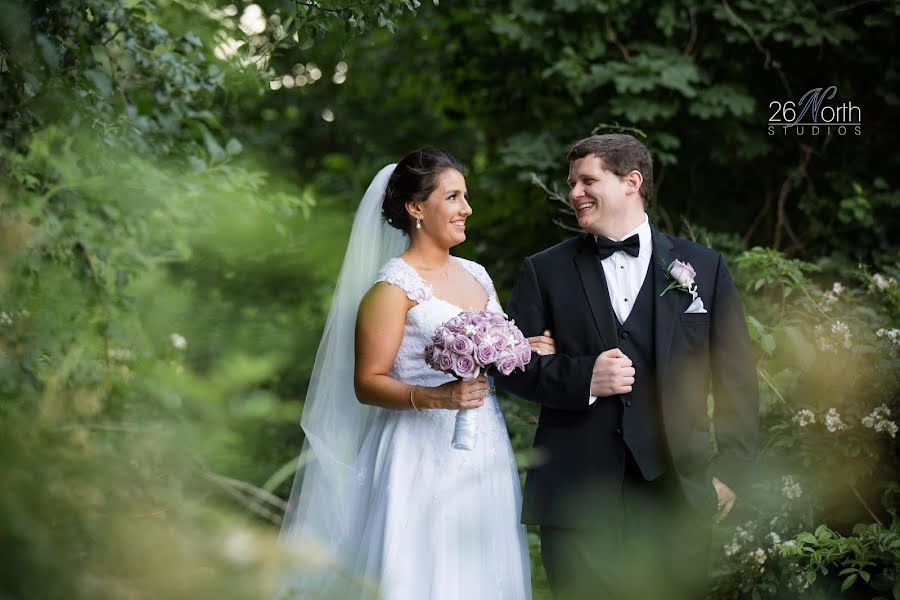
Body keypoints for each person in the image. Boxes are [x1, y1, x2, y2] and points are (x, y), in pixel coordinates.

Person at [278, 148, 554, 599]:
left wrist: (523, 348)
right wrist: (437, 398)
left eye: (465, 196)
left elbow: (492, 354)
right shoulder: (392, 287)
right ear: (416, 208)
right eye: (454, 197)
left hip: (483, 445)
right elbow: (367, 382)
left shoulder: (478, 276)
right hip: (416, 452)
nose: (467, 209)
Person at [495, 134, 759, 599]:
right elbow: (510, 367)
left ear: (631, 181)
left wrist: (731, 470)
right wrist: (584, 378)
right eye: (571, 182)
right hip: (577, 495)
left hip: (677, 490)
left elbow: (736, 375)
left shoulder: (704, 267)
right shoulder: (545, 270)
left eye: (586, 180)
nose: (574, 192)